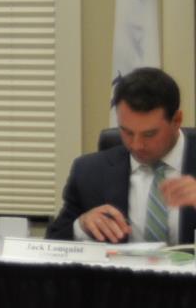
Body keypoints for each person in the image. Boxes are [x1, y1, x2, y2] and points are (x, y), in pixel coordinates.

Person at [49, 67, 196, 243]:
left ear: (177, 120)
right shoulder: (88, 172)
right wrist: (81, 226)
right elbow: (52, 242)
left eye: (149, 134)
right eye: (127, 132)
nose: (136, 145)